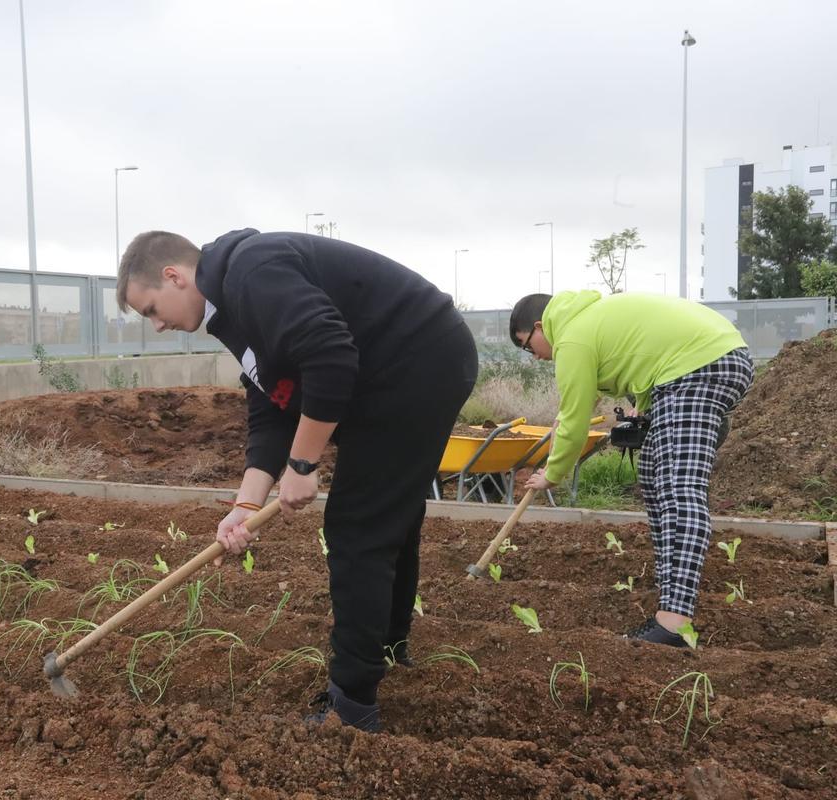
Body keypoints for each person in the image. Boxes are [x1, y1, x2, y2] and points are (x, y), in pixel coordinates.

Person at [118, 229, 477, 731]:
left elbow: (329, 354)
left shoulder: (251, 272)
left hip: (413, 365)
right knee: (387, 516)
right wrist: (245, 506)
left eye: (151, 309)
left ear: (173, 276)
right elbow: (272, 402)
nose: (156, 326)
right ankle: (389, 648)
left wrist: (302, 466)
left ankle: (352, 707)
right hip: (403, 371)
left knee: (357, 527)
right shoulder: (232, 308)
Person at [511, 290, 752, 647]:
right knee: (654, 475)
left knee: (678, 486)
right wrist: (642, 403)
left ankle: (673, 623)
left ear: (539, 326)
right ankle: (671, 593)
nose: (536, 357)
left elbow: (575, 420)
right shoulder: (589, 321)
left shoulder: (572, 336)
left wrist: (553, 473)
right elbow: (644, 355)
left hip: (699, 367)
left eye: (528, 347)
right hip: (698, 365)